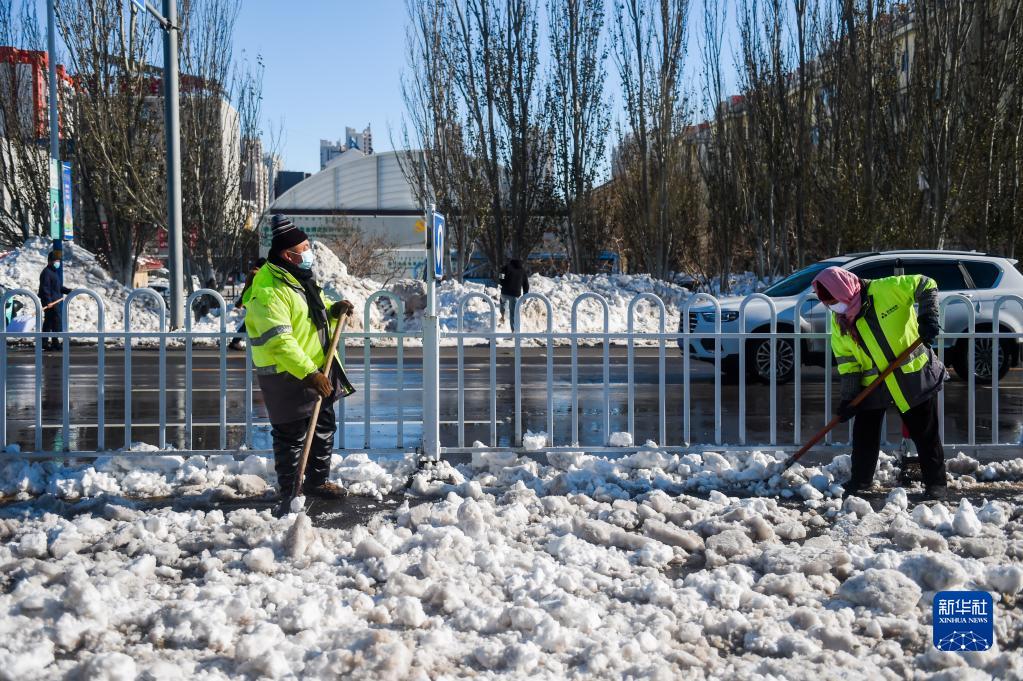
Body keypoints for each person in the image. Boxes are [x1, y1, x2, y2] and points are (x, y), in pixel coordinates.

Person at [245, 215, 355, 516]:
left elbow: (307, 317)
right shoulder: (269, 289)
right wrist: (308, 373)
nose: (309, 253)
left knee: (323, 427)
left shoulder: (296, 278)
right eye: (304, 248)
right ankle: (290, 492)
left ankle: (317, 482)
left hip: (317, 368)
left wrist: (333, 311)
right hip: (288, 373)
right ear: (287, 254)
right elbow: (280, 341)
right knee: (292, 435)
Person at [811, 266, 948, 500]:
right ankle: (860, 481)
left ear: (844, 290)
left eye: (834, 300)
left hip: (911, 376)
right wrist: (849, 398)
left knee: (925, 433)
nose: (833, 307)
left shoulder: (886, 289)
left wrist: (928, 316)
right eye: (829, 303)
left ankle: (937, 484)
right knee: (864, 435)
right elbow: (848, 362)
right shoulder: (840, 321)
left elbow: (927, 283)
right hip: (873, 383)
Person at [229, 257, 266, 350]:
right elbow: (252, 289)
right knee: (253, 322)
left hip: (250, 301)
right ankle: (236, 342)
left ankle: (235, 342)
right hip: (253, 302)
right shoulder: (256, 274)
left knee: (250, 322)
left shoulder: (253, 272)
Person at [38, 250, 72, 351]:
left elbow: (58, 288)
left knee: (51, 322)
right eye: (56, 260)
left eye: (58, 260)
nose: (58, 262)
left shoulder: (53, 272)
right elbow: (45, 288)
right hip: (50, 302)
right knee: (53, 321)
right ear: (50, 261)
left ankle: (51, 342)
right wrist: (48, 301)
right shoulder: (46, 272)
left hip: (54, 301)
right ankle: (52, 342)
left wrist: (68, 291)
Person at [499, 258, 529, 332]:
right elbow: (526, 284)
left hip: (505, 291)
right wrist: (525, 294)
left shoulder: (506, 267)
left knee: (502, 302)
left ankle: (502, 315)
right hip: (515, 294)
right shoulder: (522, 270)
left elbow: (500, 276)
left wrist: (502, 282)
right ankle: (513, 331)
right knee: (513, 313)